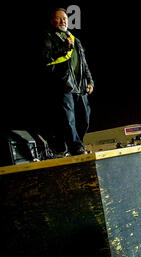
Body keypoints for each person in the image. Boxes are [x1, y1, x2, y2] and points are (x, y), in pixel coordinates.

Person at [41, 8, 94, 156]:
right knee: (68, 118)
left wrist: (90, 81)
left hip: (80, 85)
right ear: (52, 21)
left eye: (65, 18)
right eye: (59, 18)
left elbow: (84, 63)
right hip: (63, 83)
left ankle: (76, 144)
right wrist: (64, 46)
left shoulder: (75, 39)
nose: (63, 21)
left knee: (84, 118)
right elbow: (46, 58)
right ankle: (76, 147)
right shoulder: (48, 37)